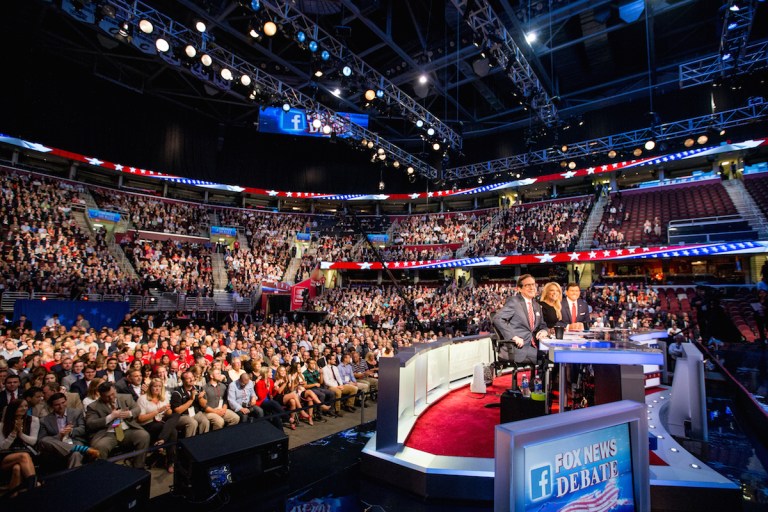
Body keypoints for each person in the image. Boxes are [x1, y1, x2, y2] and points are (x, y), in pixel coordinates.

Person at [85, 381, 150, 469]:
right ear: (101, 395)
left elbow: (137, 408)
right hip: (108, 433)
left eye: (112, 394)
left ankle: (139, 467)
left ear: (115, 390)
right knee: (100, 447)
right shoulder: (93, 406)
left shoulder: (126, 397)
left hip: (127, 430)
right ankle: (102, 472)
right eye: (107, 396)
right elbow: (90, 424)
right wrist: (110, 417)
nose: (111, 397)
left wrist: (130, 413)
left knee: (143, 436)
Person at [493, 274, 549, 366]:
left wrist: (543, 331)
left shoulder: (536, 305)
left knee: (554, 355)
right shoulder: (514, 301)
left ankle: (538, 380)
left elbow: (543, 325)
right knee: (548, 358)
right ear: (519, 289)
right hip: (519, 348)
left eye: (533, 284)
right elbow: (498, 318)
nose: (532, 287)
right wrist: (513, 337)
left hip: (535, 345)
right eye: (528, 285)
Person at [38, 392, 99, 468]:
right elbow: (42, 440)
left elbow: (83, 429)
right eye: (57, 405)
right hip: (57, 445)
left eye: (63, 403)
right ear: (52, 406)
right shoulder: (44, 420)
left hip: (74, 441)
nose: (61, 406)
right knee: (44, 441)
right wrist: (60, 435)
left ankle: (74, 478)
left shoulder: (76, 413)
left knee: (76, 454)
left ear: (66, 401)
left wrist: (71, 431)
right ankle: (84, 449)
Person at [136, 378, 178, 473]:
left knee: (176, 415)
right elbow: (140, 419)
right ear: (150, 387)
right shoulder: (143, 399)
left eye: (159, 386)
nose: (157, 388)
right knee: (173, 431)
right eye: (155, 386)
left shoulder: (163, 398)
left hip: (161, 422)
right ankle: (170, 461)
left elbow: (169, 413)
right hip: (148, 423)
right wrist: (158, 411)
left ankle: (162, 439)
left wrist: (168, 410)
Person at [0, 399, 38, 495]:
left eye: (25, 406)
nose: (24, 408)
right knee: (23, 456)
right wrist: (13, 432)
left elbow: (33, 441)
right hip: (6, 456)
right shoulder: (2, 425)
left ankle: (13, 498)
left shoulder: (33, 420)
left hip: (27, 453)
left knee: (17, 468)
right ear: (13, 409)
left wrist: (20, 433)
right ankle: (34, 488)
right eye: (20, 406)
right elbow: (2, 447)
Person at [170, 370, 210, 437]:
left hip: (196, 413)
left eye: (192, 377)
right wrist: (191, 400)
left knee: (205, 421)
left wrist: (200, 398)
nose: (191, 379)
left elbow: (204, 404)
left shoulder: (199, 388)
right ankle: (189, 444)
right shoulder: (177, 393)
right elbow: (178, 411)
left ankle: (203, 441)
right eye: (188, 378)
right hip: (183, 415)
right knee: (193, 423)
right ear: (183, 381)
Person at [254, 366, 290, 431]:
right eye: (270, 372)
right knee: (274, 403)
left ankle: (281, 431)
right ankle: (286, 417)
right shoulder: (259, 383)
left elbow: (272, 395)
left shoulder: (270, 381)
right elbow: (261, 396)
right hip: (261, 402)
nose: (272, 374)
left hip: (269, 401)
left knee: (275, 413)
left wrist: (275, 390)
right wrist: (267, 389)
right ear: (265, 373)